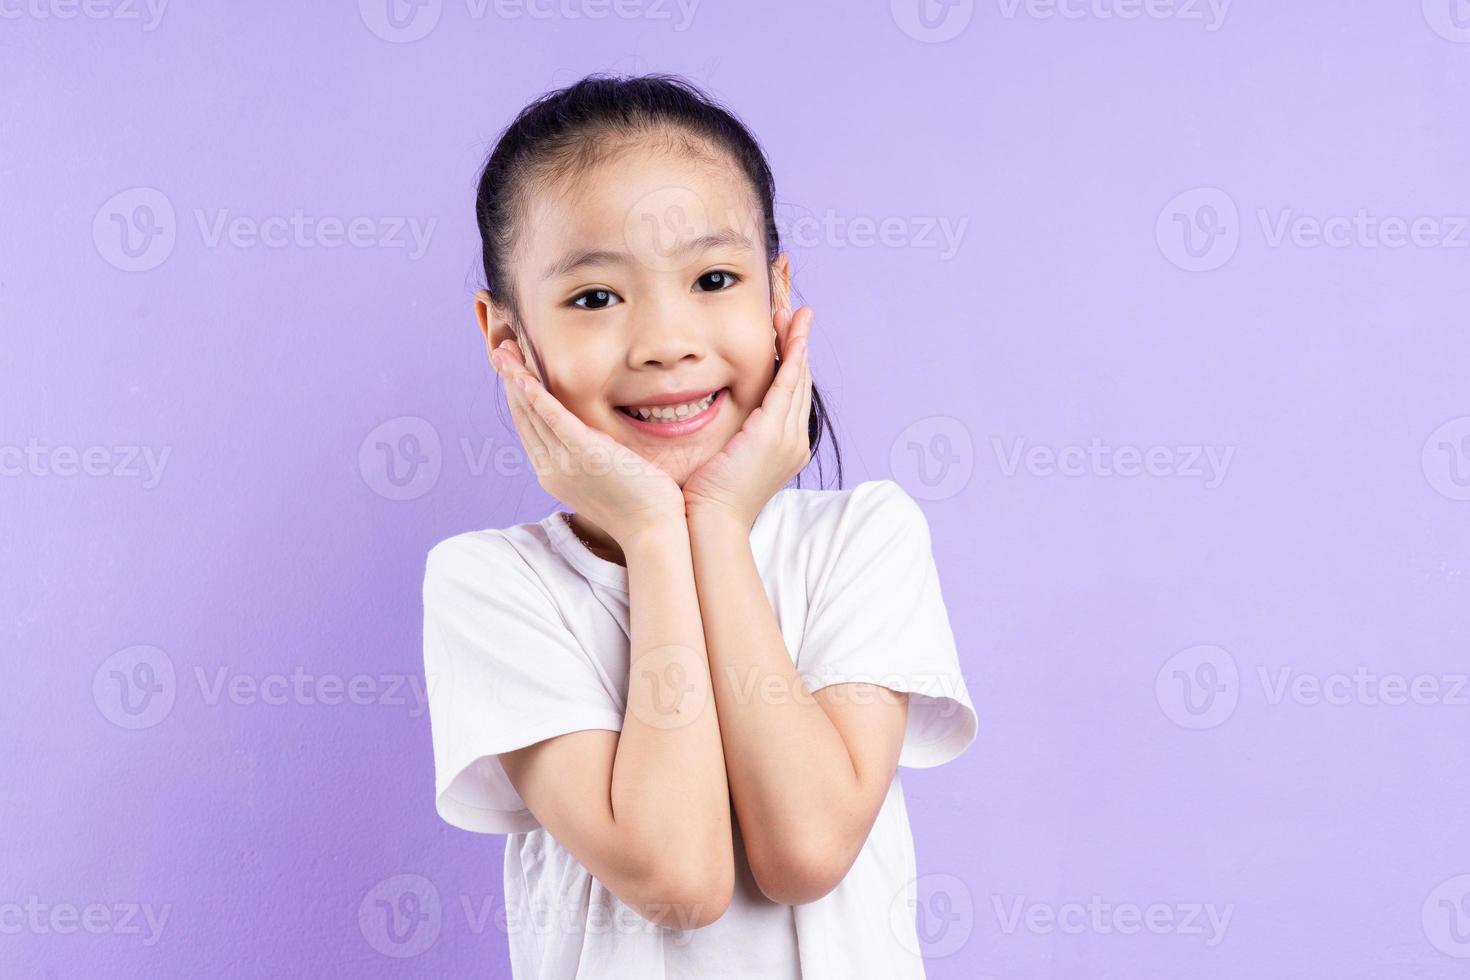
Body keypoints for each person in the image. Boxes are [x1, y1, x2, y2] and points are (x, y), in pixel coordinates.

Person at [421, 72, 977, 979]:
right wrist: (652, 535)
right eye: (595, 297)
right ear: (507, 339)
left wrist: (715, 525)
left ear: (776, 293)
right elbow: (680, 878)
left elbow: (807, 850)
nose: (667, 340)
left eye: (714, 279)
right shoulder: (491, 584)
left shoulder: (862, 539)